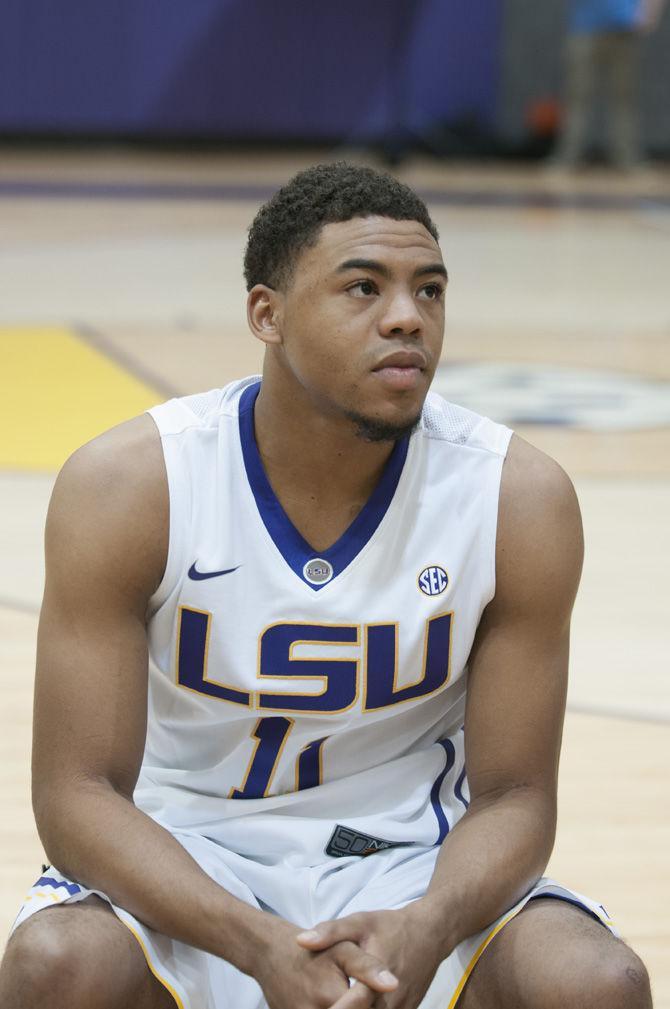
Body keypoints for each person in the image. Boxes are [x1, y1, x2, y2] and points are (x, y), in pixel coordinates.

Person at [0, 163, 652, 1009]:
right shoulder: (133, 485)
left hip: (414, 860)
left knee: (599, 983)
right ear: (266, 314)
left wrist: (423, 925)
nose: (408, 317)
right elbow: (76, 795)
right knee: (55, 965)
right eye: (362, 287)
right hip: (191, 855)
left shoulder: (515, 498)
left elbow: (517, 796)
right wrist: (256, 941)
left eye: (430, 289)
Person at [551, 0, 666, 169]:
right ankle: (566, 159)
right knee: (577, 98)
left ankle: (628, 161)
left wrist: (650, 12)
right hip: (585, 28)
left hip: (623, 30)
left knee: (624, 100)